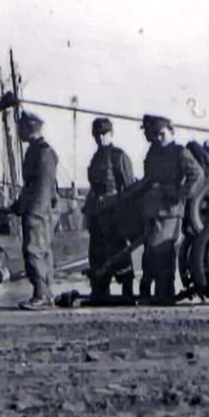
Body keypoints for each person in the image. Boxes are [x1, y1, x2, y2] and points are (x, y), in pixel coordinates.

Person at [140, 115, 204, 304]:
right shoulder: (153, 152)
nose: (159, 138)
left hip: (169, 211)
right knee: (150, 254)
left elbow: (197, 174)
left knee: (163, 253)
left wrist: (179, 194)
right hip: (151, 210)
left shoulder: (179, 152)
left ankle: (164, 296)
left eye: (162, 134)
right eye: (155, 135)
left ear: (171, 132)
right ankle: (152, 294)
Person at [83, 117, 137, 303]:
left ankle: (127, 292)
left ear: (111, 134)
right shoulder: (95, 157)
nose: (100, 138)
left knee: (119, 252)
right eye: (97, 134)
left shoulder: (119, 156)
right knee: (96, 253)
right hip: (96, 213)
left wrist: (125, 214)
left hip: (114, 214)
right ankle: (99, 291)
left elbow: (129, 188)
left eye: (104, 134)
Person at [9, 112, 58, 311]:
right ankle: (45, 293)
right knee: (39, 250)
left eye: (20, 128)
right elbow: (30, 185)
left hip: (39, 210)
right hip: (34, 207)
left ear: (29, 127)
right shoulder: (33, 151)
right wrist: (17, 206)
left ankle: (42, 295)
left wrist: (34, 212)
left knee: (34, 250)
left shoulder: (44, 152)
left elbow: (44, 187)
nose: (17, 132)